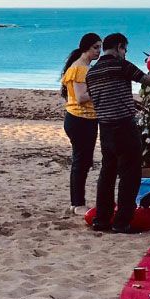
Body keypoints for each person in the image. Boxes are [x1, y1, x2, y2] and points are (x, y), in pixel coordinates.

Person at [87, 32, 150, 233]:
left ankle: (102, 220)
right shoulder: (122, 65)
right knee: (130, 175)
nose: (125, 54)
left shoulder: (91, 73)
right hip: (124, 127)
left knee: (107, 174)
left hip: (104, 127)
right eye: (125, 50)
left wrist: (130, 103)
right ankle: (122, 222)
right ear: (119, 46)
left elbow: (107, 96)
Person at [59, 33, 102, 215]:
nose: (98, 51)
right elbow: (81, 97)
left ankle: (76, 202)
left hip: (85, 120)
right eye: (95, 47)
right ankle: (77, 203)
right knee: (81, 162)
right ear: (86, 48)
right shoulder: (80, 69)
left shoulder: (84, 67)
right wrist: (101, 92)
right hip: (79, 120)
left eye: (100, 47)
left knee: (83, 161)